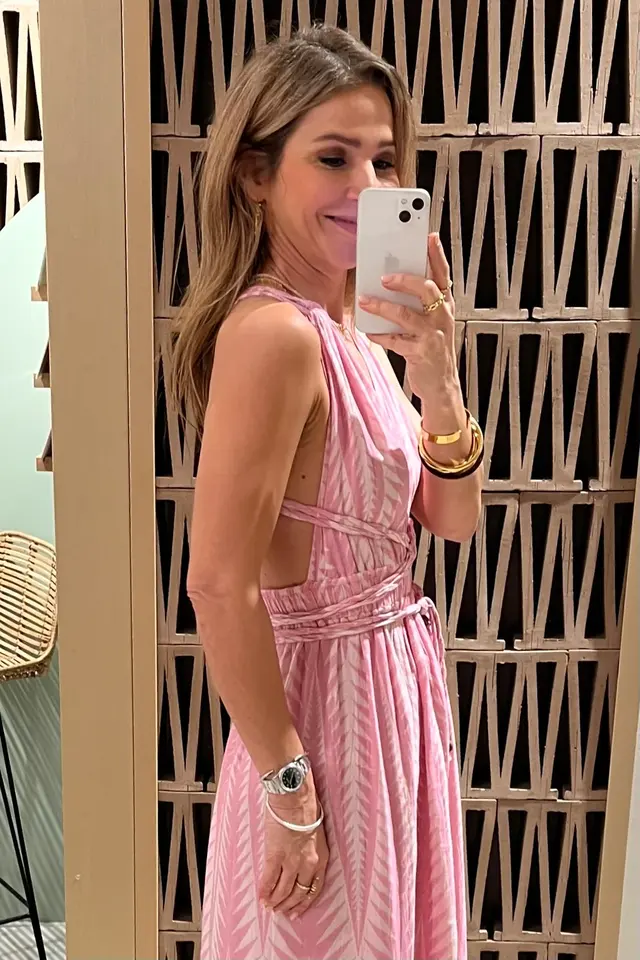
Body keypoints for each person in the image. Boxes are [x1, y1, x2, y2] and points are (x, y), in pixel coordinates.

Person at [171, 23, 482, 960]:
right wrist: (288, 791)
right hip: (326, 715)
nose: (370, 188)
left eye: (385, 160)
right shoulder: (276, 337)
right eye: (334, 158)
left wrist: (437, 379)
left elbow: (453, 522)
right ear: (255, 175)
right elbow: (218, 583)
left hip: (392, 703)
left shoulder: (355, 330)